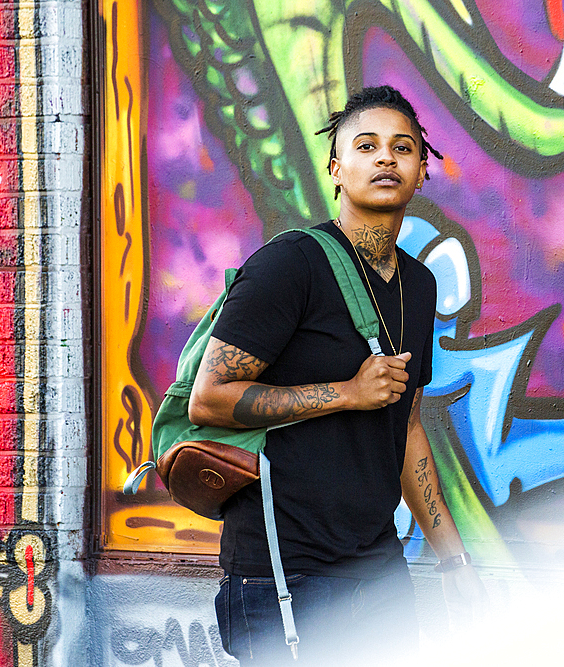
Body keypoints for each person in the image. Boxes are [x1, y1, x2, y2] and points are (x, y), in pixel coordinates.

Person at [190, 85, 488, 665]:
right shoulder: (290, 264)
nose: (385, 158)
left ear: (422, 171)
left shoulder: (419, 286)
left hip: (377, 568)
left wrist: (453, 561)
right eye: (367, 145)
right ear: (337, 168)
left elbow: (405, 427)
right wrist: (347, 394)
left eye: (403, 148)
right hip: (282, 568)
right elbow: (209, 399)